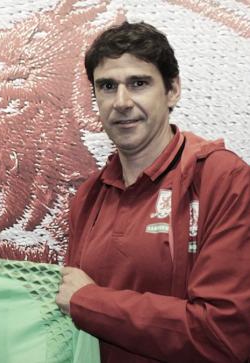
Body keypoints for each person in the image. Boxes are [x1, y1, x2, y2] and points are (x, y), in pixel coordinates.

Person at [55, 21, 250, 363]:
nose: (122, 102)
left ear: (172, 89)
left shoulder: (223, 179)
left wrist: (91, 302)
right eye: (107, 86)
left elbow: (225, 335)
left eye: (139, 83)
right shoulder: (88, 197)